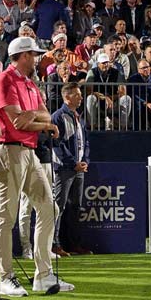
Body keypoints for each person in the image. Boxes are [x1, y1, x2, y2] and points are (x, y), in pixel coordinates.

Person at [0, 36, 68, 299]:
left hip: (29, 151)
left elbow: (44, 113)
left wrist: (34, 116)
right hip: (8, 149)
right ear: (23, 56)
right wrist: (42, 122)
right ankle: (5, 277)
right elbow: (18, 123)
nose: (37, 60)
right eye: (34, 55)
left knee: (49, 207)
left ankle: (43, 275)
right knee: (7, 214)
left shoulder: (30, 83)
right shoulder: (4, 80)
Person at [51, 82, 92, 256]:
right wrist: (73, 163)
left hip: (79, 169)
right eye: (77, 95)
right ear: (67, 97)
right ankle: (54, 244)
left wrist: (84, 161)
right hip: (64, 169)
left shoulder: (78, 117)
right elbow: (57, 144)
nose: (81, 97)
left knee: (76, 207)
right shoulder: (58, 117)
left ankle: (73, 244)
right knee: (58, 207)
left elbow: (85, 142)